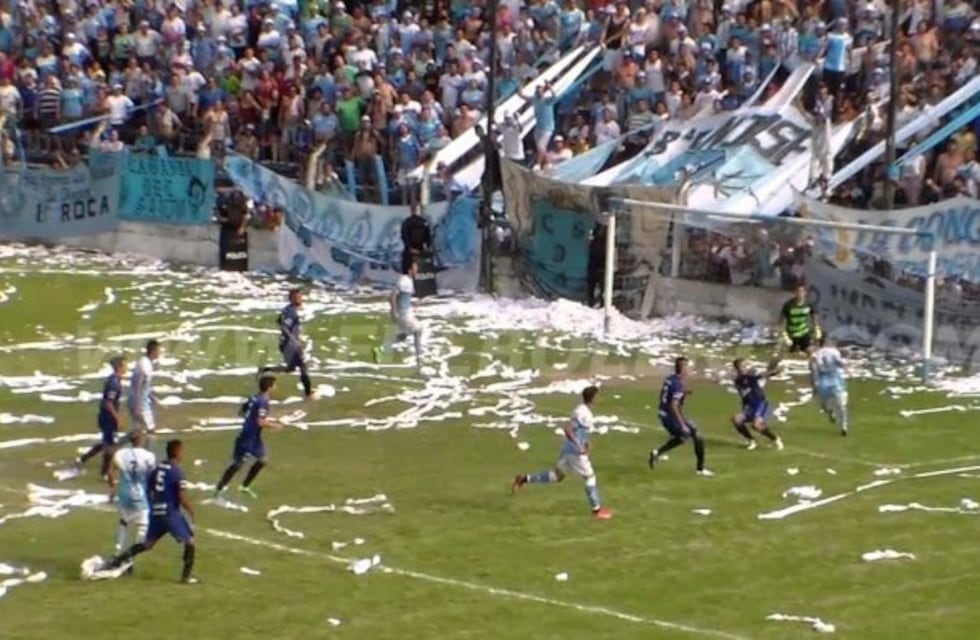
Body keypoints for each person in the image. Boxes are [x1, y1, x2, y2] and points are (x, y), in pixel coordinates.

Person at [102, 439, 197, 584]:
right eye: (182, 451)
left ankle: (117, 561)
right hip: (170, 513)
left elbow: (150, 487)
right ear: (177, 452)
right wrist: (191, 510)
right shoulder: (177, 471)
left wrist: (154, 503)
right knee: (190, 541)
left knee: (147, 544)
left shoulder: (159, 468)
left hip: (156, 512)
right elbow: (182, 497)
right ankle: (186, 577)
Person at [511, 385, 613, 520]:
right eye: (598, 396)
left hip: (567, 449)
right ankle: (597, 510)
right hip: (575, 453)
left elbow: (579, 430)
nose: (600, 398)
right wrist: (580, 446)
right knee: (590, 477)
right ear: (593, 397)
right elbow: (568, 429)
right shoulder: (585, 414)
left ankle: (524, 479)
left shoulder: (580, 409)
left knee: (558, 476)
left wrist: (587, 443)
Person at [214, 375, 283, 499]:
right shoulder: (263, 402)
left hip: (251, 435)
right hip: (249, 437)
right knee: (238, 464)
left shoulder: (254, 397)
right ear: (269, 387)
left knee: (261, 460)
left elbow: (242, 412)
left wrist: (249, 420)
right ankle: (223, 487)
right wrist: (275, 425)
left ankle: (238, 487)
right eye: (274, 385)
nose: (276, 388)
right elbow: (260, 422)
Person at [649, 357, 712, 476]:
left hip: (663, 413)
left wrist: (684, 392)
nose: (689, 369)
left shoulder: (670, 379)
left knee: (687, 435)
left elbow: (668, 394)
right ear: (682, 368)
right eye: (687, 367)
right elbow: (674, 405)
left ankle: (657, 452)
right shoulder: (678, 384)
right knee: (691, 435)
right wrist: (682, 424)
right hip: (670, 415)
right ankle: (700, 469)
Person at [107, 430, 156, 559]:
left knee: (124, 522)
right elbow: (151, 477)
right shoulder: (149, 456)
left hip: (124, 493)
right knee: (142, 526)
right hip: (140, 495)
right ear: (141, 440)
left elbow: (110, 471)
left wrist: (112, 489)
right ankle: (130, 557)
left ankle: (117, 551)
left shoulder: (121, 453)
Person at [76, 356, 127, 478]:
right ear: (119, 367)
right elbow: (108, 402)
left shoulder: (115, 380)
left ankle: (84, 458)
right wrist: (117, 417)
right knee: (110, 445)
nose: (127, 368)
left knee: (107, 442)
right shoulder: (114, 383)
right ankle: (104, 473)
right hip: (108, 417)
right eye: (125, 365)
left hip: (106, 416)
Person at [261, 288, 314, 400]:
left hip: (289, 343)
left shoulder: (290, 310)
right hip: (290, 345)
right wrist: (293, 341)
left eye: (299, 297)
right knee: (303, 367)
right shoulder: (291, 311)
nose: (298, 299)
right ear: (290, 299)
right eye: (295, 297)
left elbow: (279, 321)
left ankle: (266, 370)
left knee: (291, 369)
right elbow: (284, 326)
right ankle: (308, 394)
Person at [372, 260, 423, 368]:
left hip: (405, 311)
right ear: (409, 270)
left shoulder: (408, 280)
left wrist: (413, 303)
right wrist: (394, 311)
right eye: (415, 267)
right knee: (418, 331)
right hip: (402, 313)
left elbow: (403, 298)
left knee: (403, 336)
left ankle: (380, 349)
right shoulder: (404, 280)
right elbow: (392, 296)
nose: (417, 269)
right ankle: (420, 361)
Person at [731, 359, 784, 451]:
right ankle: (751, 441)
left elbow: (764, 375)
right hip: (749, 407)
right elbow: (743, 395)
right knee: (736, 419)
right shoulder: (738, 380)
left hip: (760, 404)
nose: (744, 368)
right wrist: (744, 407)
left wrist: (775, 372)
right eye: (742, 366)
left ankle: (775, 439)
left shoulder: (751, 376)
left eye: (745, 365)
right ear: (737, 368)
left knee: (756, 425)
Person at [810, 336, 850, 436]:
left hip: (824, 380)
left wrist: (814, 386)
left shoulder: (815, 356)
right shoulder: (833, 351)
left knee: (824, 404)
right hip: (834, 378)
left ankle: (834, 417)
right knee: (841, 404)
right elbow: (839, 363)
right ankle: (843, 425)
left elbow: (814, 372)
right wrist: (847, 369)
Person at [776, 284, 822, 362]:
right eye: (797, 292)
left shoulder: (808, 304)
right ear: (794, 293)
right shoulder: (788, 305)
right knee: (779, 355)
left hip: (804, 333)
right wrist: (784, 334)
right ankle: (768, 371)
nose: (799, 294)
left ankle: (815, 372)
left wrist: (817, 328)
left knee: (812, 354)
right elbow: (781, 320)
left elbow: (814, 315)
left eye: (802, 292)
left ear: (805, 293)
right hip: (791, 334)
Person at [128, 340, 160, 443]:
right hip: (141, 404)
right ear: (153, 351)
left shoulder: (145, 362)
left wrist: (151, 396)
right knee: (151, 431)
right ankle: (148, 455)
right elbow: (138, 384)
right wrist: (138, 405)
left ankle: (114, 448)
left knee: (137, 432)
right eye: (158, 351)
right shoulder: (145, 364)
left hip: (138, 401)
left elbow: (143, 385)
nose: (159, 353)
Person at [400, 208, 432, 274]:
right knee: (419, 270)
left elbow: (404, 235)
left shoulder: (408, 221)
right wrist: (427, 246)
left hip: (414, 250)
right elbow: (428, 236)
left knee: (410, 269)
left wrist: (409, 247)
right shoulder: (424, 221)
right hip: (418, 249)